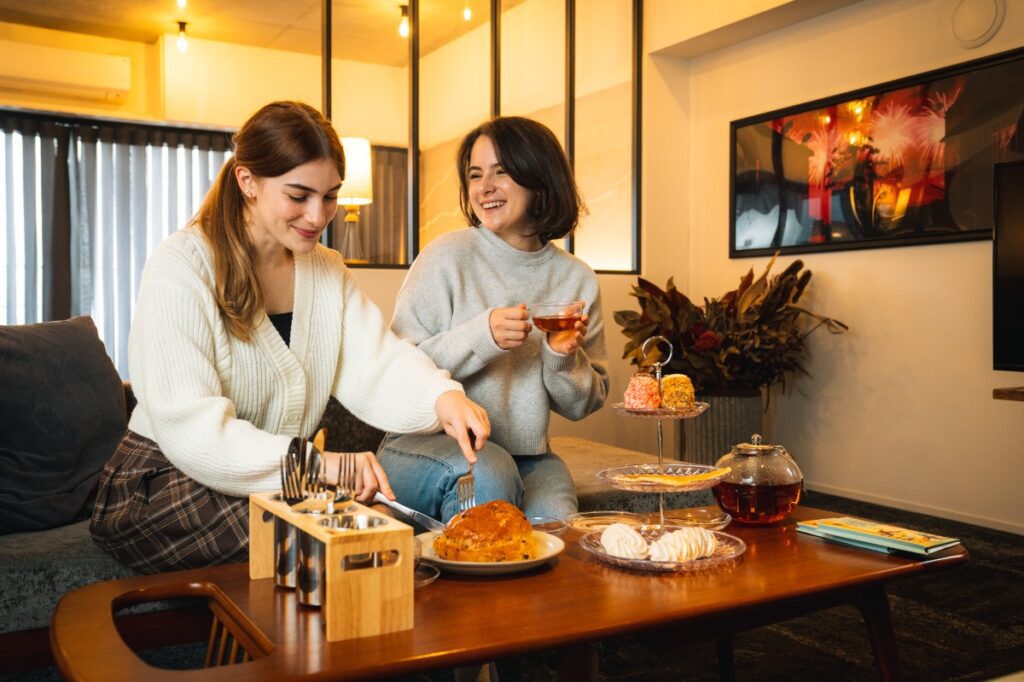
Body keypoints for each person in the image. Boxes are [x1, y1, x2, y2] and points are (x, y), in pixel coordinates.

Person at [90, 101, 490, 574]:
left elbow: (375, 361)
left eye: (330, 196)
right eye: (299, 195)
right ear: (248, 182)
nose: (318, 215)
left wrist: (442, 397)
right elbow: (193, 431)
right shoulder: (183, 265)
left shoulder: (325, 271)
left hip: (276, 477)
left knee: (372, 536)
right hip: (162, 481)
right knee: (350, 541)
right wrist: (321, 468)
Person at [378, 115, 609, 523]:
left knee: (554, 526)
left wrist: (561, 357)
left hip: (528, 456)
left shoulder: (576, 279)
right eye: (475, 175)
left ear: (539, 179)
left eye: (501, 173)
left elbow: (583, 404)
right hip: (424, 446)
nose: (484, 188)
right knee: (489, 475)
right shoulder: (446, 256)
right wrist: (481, 336)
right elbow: (397, 366)